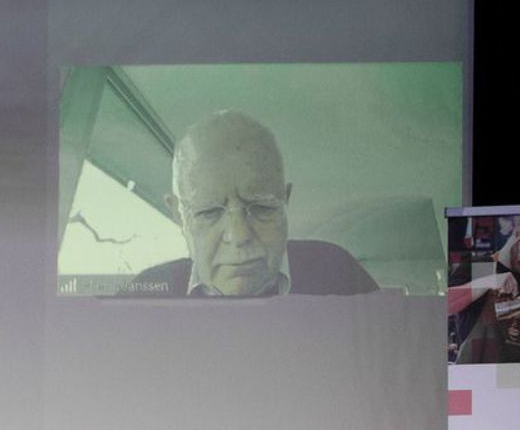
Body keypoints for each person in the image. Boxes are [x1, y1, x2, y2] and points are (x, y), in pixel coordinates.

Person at [128, 110, 379, 297]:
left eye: (262, 207)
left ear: (285, 201)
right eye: (209, 212)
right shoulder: (145, 298)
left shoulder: (337, 273)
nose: (239, 236)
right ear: (178, 215)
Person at [450, 213, 520, 364]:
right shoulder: (481, 267)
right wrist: (489, 280)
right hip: (475, 373)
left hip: (516, 375)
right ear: (518, 233)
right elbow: (445, 306)